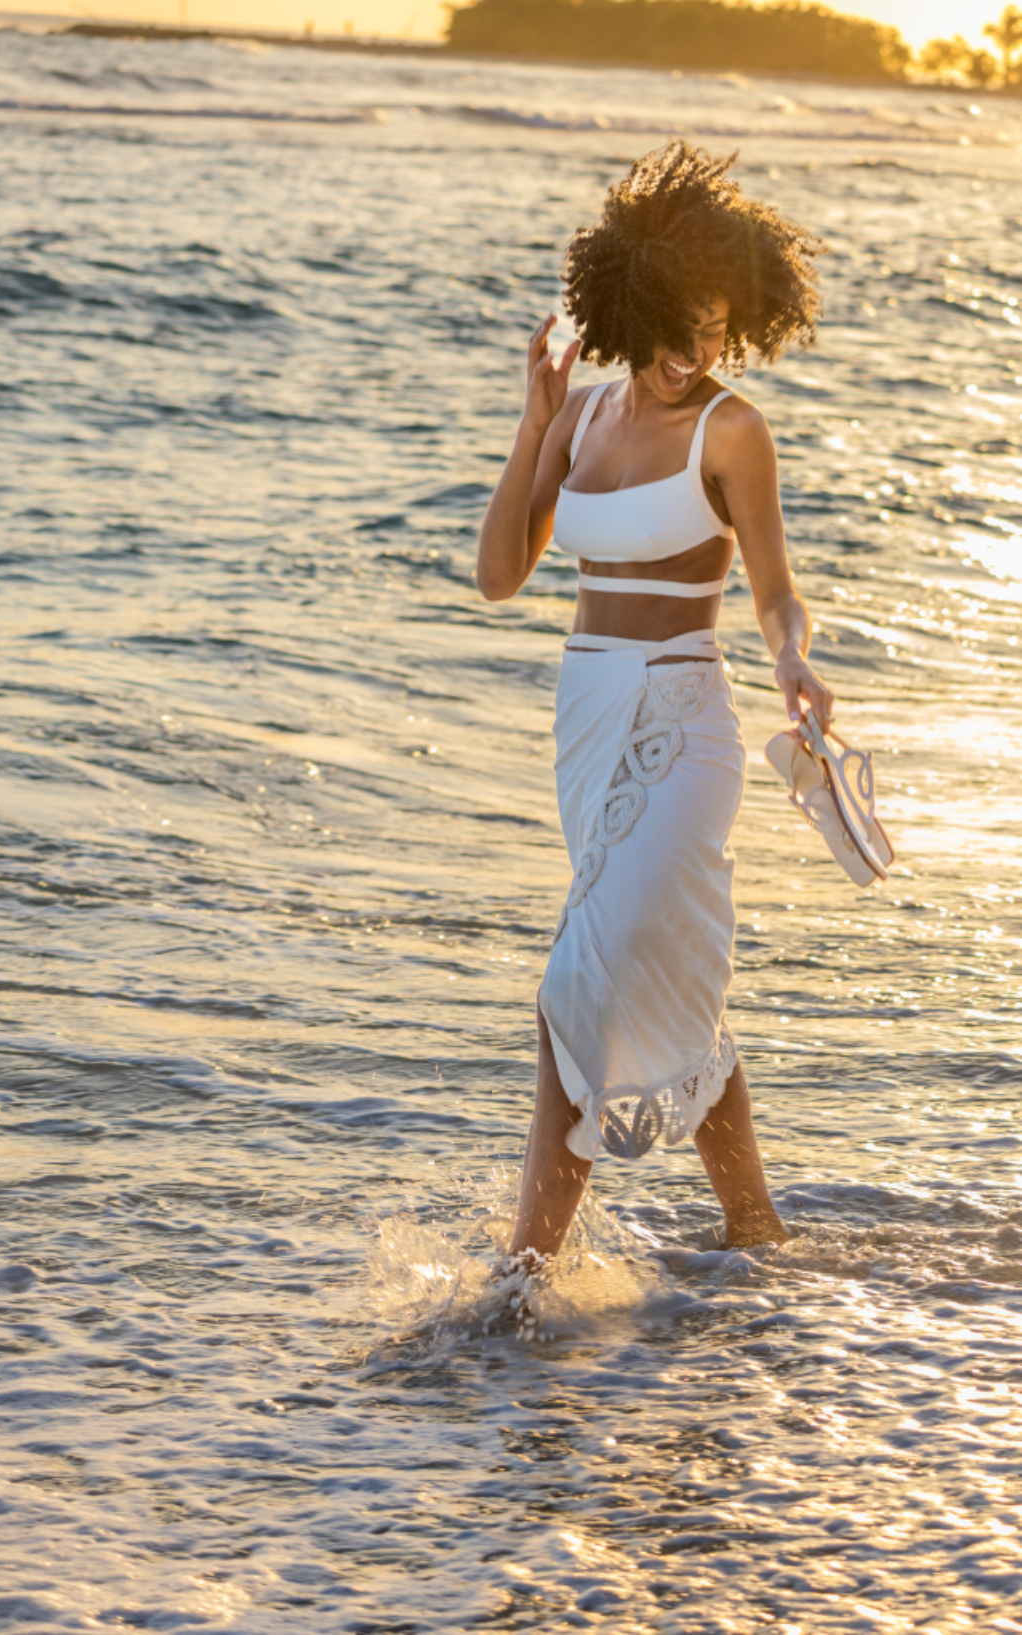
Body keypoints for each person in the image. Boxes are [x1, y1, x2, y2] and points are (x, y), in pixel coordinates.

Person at [476, 142, 834, 1261]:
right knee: (659, 971)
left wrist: (793, 664)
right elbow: (499, 575)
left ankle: (529, 1270)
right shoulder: (579, 418)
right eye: (680, 324)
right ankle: (754, 1228)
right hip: (585, 721)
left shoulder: (733, 430)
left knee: (578, 981)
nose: (696, 351)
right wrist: (533, 421)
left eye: (719, 328)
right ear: (632, 305)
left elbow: (776, 593)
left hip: (683, 724)